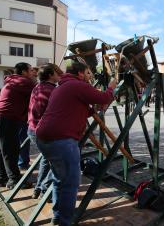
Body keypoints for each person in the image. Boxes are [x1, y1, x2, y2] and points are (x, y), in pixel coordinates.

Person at [35, 62, 116, 226]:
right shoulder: (76, 85)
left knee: (59, 179)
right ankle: (66, 221)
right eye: (87, 72)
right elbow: (105, 97)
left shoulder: (63, 87)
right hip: (61, 140)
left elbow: (84, 109)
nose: (89, 76)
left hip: (44, 138)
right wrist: (112, 86)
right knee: (71, 184)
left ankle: (57, 215)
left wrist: (97, 107)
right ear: (80, 73)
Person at [0, 62, 36, 189]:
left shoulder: (12, 79)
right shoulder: (24, 81)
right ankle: (14, 180)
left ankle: (2, 177)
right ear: (23, 72)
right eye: (31, 70)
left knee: (2, 147)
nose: (33, 72)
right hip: (8, 117)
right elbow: (40, 91)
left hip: (0, 116)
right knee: (10, 149)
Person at [28, 64, 63, 200]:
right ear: (50, 75)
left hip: (32, 129)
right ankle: (44, 190)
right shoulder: (52, 90)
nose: (59, 75)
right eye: (56, 73)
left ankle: (37, 189)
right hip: (43, 131)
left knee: (46, 159)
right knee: (56, 161)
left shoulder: (38, 87)